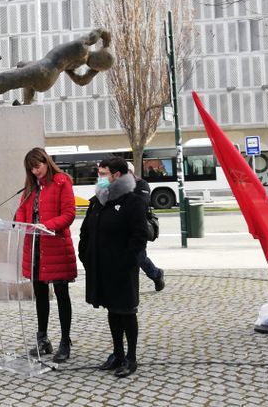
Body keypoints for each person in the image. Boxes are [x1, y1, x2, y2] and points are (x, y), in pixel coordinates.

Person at [78, 157, 149, 378]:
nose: (100, 177)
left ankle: (131, 358)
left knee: (126, 311)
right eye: (99, 173)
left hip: (123, 268)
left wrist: (128, 261)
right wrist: (86, 256)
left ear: (116, 175)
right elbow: (86, 232)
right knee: (112, 310)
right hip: (101, 267)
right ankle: (117, 353)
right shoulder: (98, 201)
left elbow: (140, 236)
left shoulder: (133, 201)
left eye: (103, 173)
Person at [14, 148, 77, 362]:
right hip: (34, 247)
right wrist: (20, 222)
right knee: (40, 294)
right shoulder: (30, 187)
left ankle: (65, 341)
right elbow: (22, 211)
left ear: (46, 162)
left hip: (56, 245)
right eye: (31, 168)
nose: (35, 171)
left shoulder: (61, 181)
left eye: (37, 166)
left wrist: (46, 226)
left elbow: (69, 214)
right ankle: (42, 339)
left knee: (61, 294)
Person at [127, 163, 165, 292]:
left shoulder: (141, 184)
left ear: (130, 172)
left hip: (138, 227)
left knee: (139, 257)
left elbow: (141, 204)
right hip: (122, 227)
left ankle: (156, 274)